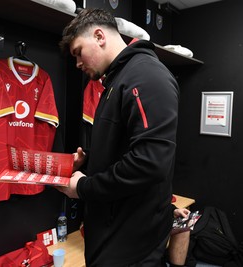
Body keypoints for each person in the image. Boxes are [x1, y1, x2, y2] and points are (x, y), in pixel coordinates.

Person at [57, 8, 179, 266]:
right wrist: (89, 161)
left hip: (131, 241)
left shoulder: (146, 75)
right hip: (112, 231)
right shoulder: (117, 80)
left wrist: (82, 187)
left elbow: (150, 163)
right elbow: (126, 149)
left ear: (99, 36)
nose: (77, 63)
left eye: (78, 52)